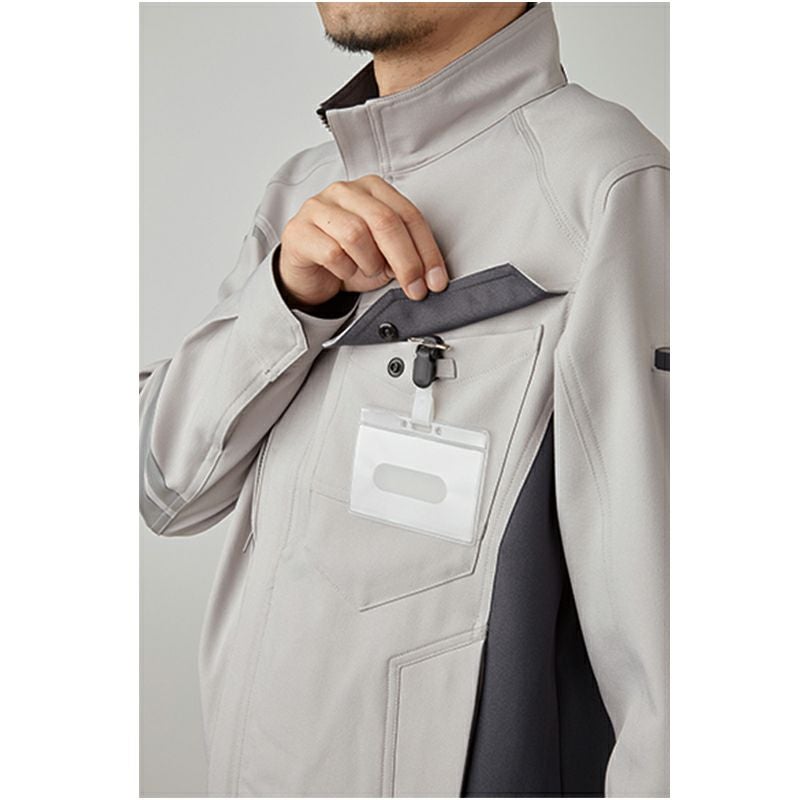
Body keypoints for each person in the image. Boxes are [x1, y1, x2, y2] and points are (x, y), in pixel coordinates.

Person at [139, 2, 669, 797]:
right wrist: (288, 299)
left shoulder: (609, 188)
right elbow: (166, 489)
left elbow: (671, 661)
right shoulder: (301, 188)